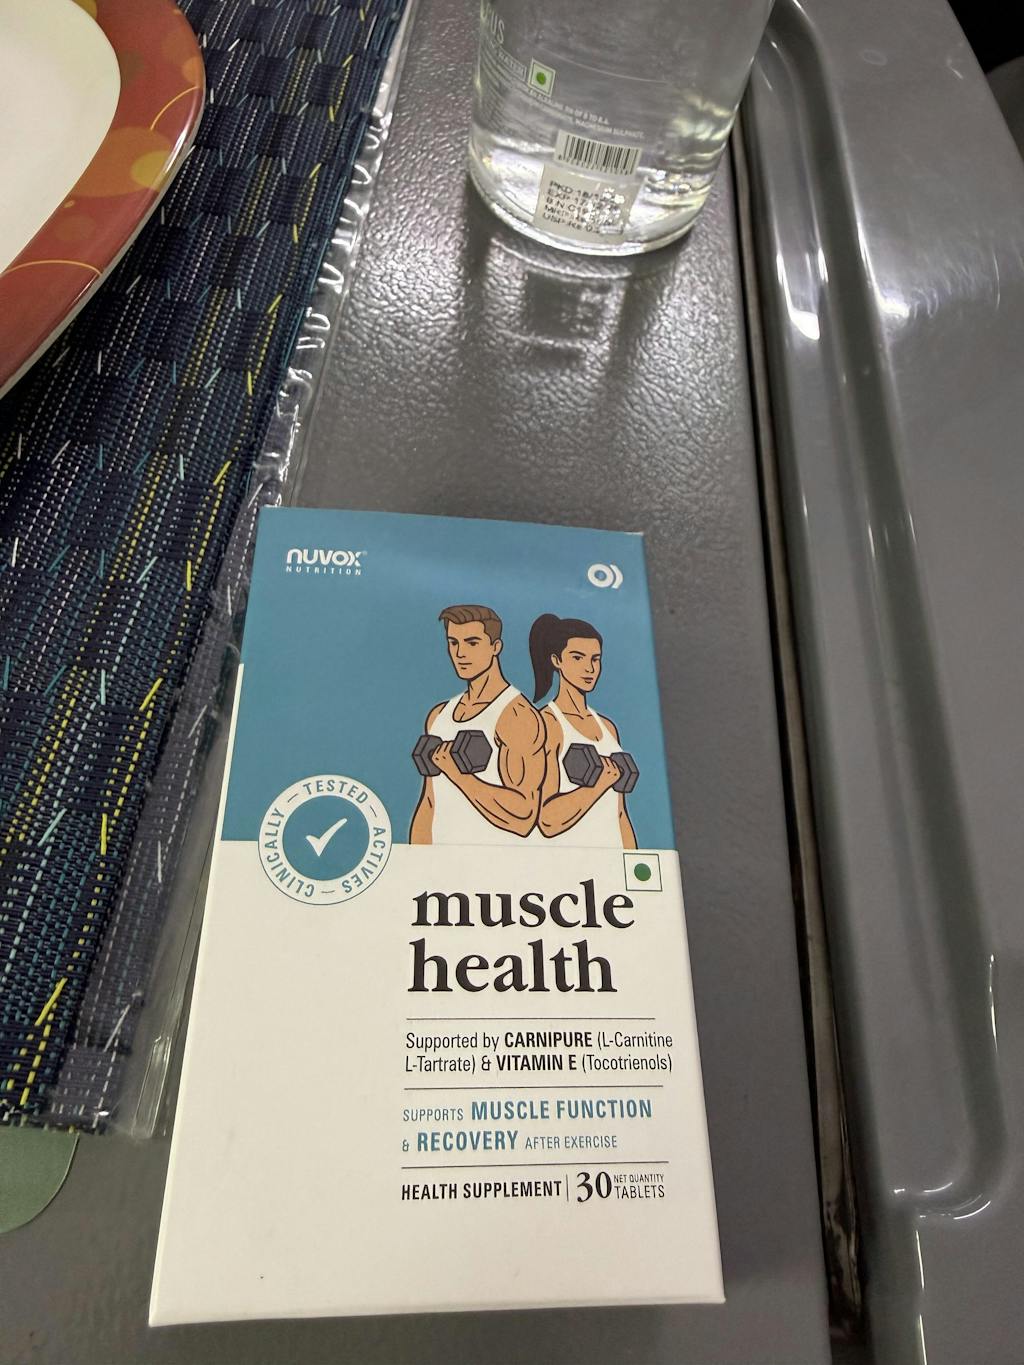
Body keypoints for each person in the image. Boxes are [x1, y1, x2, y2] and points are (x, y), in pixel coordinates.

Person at [410, 605, 545, 844]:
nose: (460, 653)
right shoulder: (439, 715)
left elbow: (524, 816)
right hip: (440, 862)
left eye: (472, 643)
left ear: (495, 647)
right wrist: (416, 858)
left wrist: (456, 773)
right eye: (453, 643)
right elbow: (430, 801)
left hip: (494, 863)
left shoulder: (517, 715)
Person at [530, 613, 637, 849]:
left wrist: (631, 861)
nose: (589, 668)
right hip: (569, 861)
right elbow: (546, 819)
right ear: (556, 660)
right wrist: (599, 784)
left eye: (595, 659)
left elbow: (619, 813)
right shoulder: (546, 723)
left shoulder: (607, 727)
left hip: (610, 858)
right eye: (577, 658)